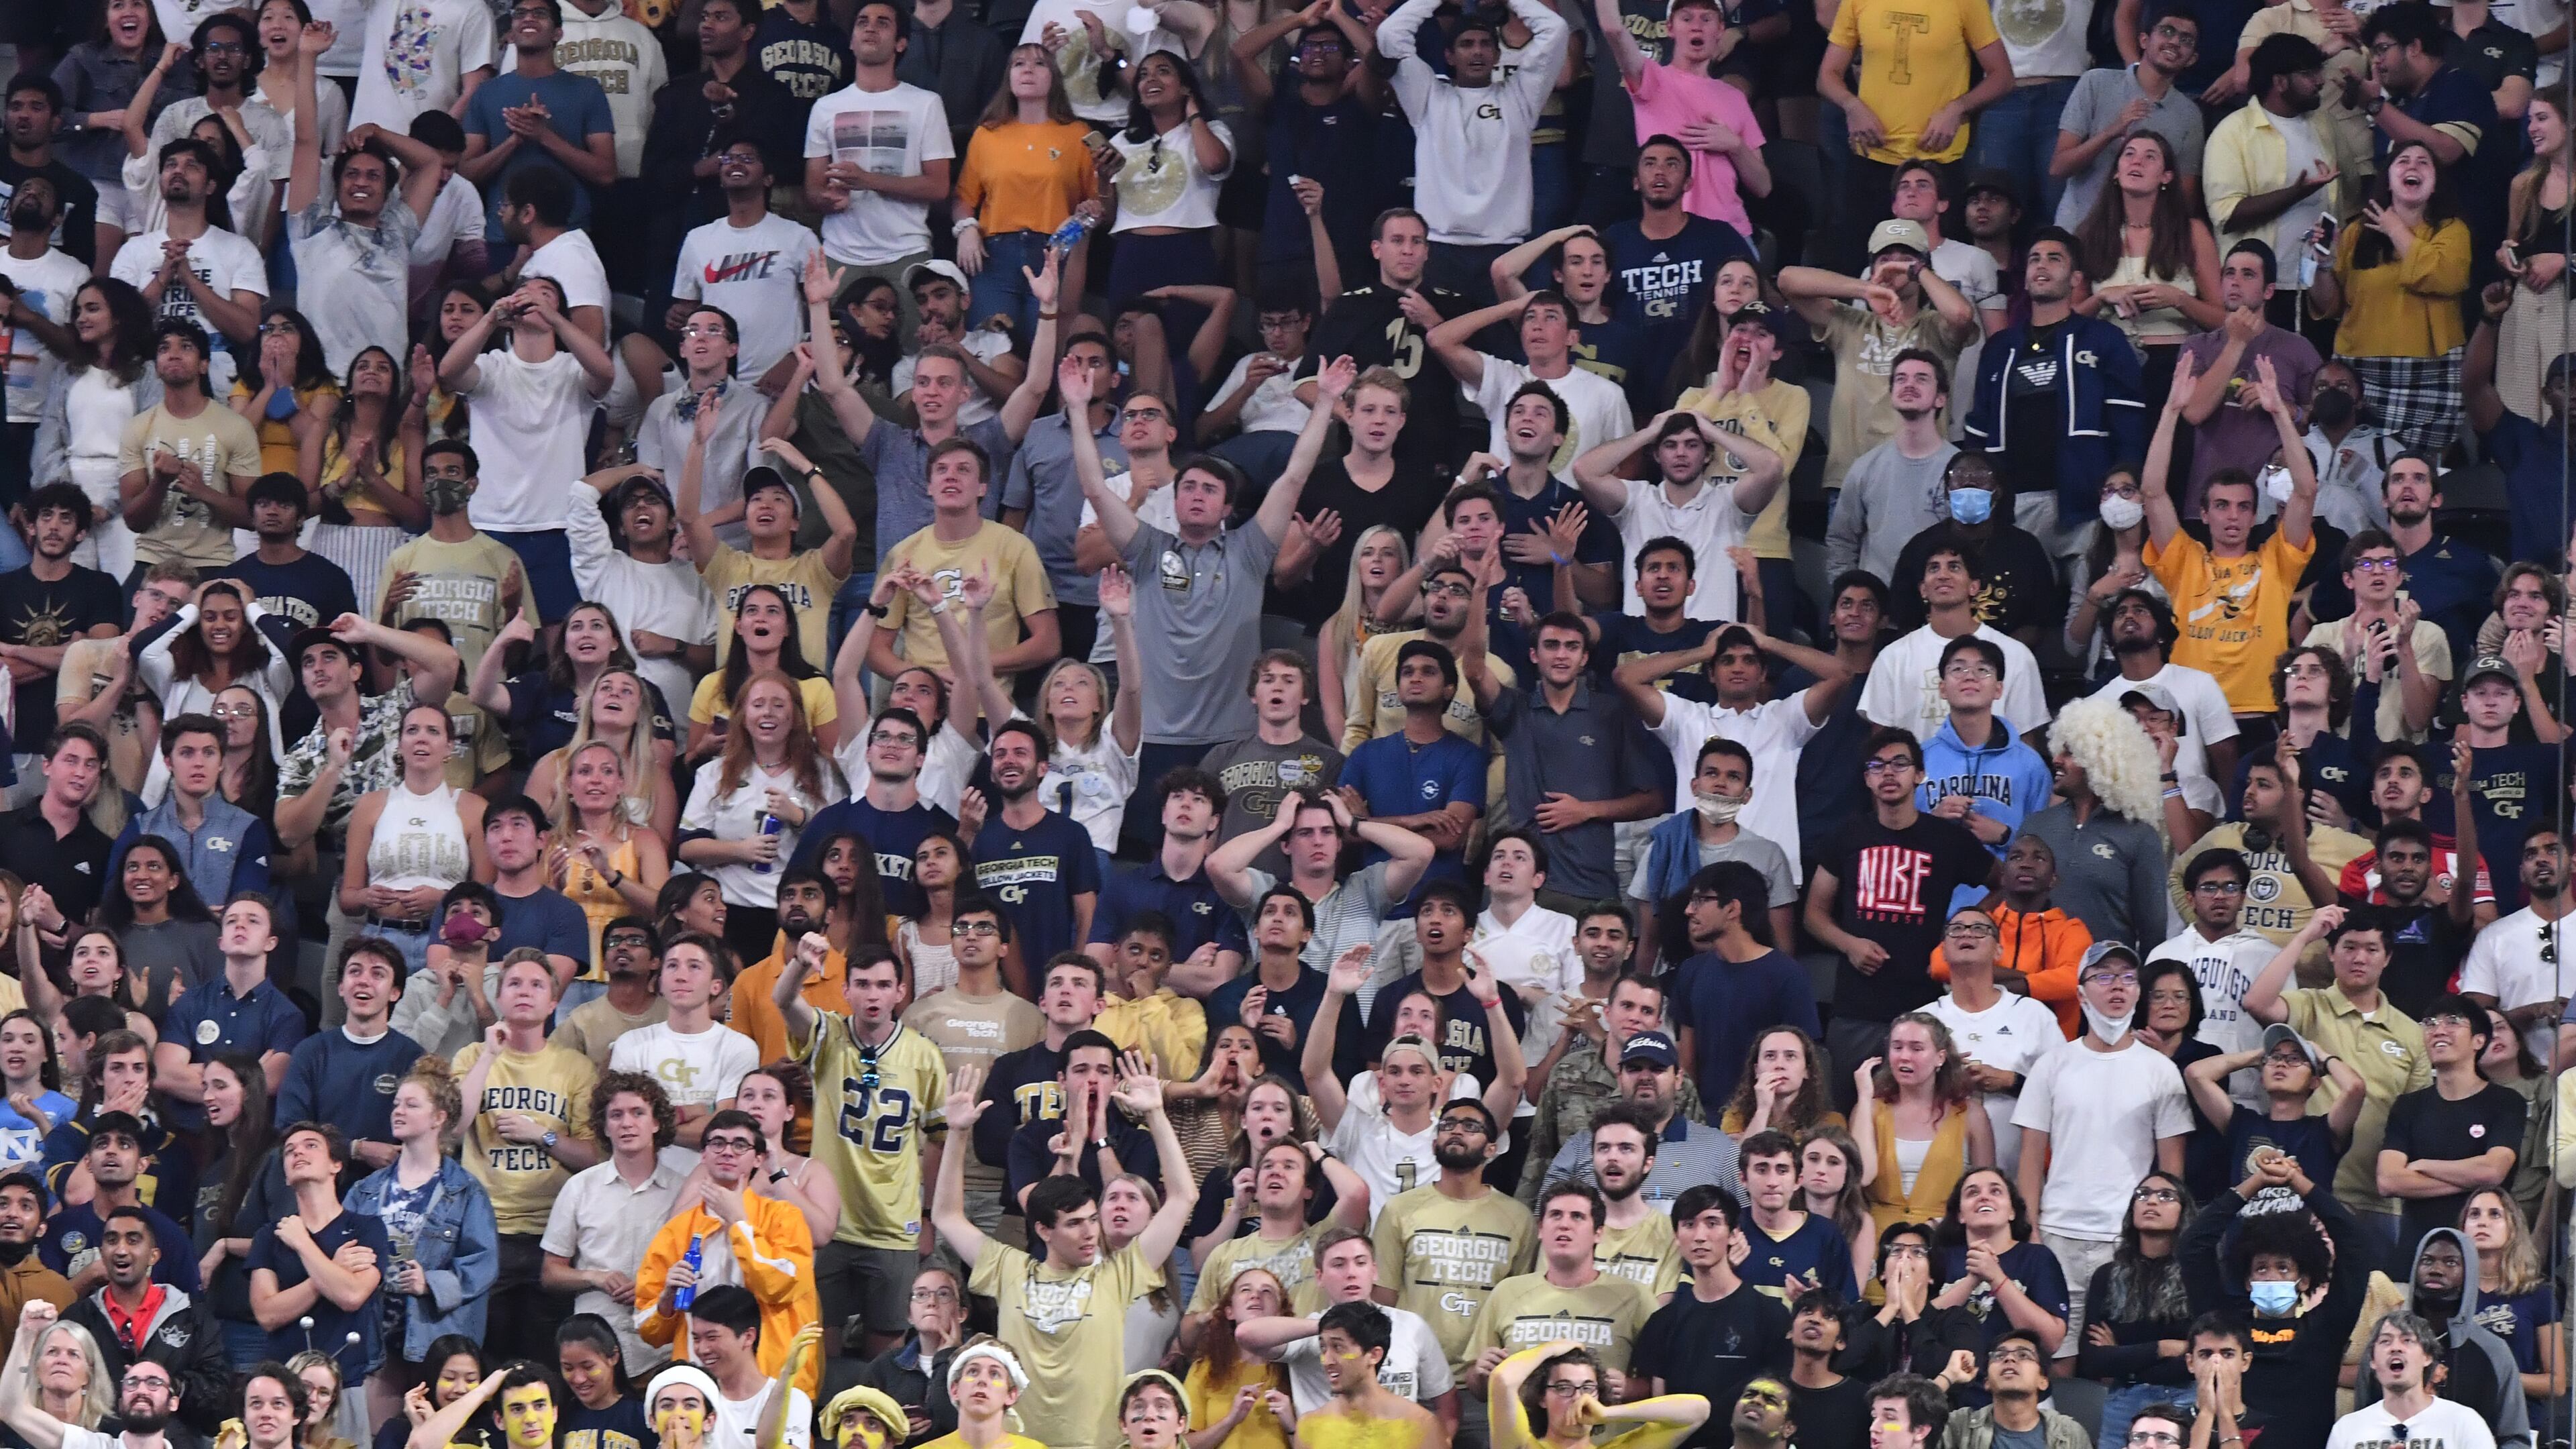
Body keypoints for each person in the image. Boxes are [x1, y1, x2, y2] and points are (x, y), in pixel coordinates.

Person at [931, 1054, 1197, 1449]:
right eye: (1074, 1224)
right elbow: (947, 1215)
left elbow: (1183, 1197)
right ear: (1044, 1230)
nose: (1091, 1232)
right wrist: (956, 1134)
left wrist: (1156, 1114)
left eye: (1093, 1219)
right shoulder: (1010, 1269)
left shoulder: (1117, 1274)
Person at [1805, 729, 1997, 1095]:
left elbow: (2003, 885)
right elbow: (1814, 915)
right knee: (1849, 1112)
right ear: (1866, 778)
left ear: (1920, 774)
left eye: (1899, 764)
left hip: (1925, 1003)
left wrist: (1962, 929)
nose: (1888, 773)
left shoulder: (1946, 838)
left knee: (1922, 1111)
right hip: (1855, 1007)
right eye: (1877, 766)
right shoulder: (1846, 835)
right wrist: (1849, 944)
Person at [2245, 905, 2434, 1266]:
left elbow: (2415, 1119)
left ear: (2388, 958)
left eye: (2371, 949)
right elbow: (2258, 1002)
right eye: (2348, 947)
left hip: (2380, 1198)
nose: (2359, 957)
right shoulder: (2310, 1006)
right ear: (2331, 953)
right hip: (2304, 1190)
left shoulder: (2411, 1032)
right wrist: (2305, 935)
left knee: (2375, 1306)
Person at [2143, 352, 2317, 722]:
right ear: (2204, 514)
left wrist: (2280, 414)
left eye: (2242, 507)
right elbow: (2153, 493)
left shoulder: (2277, 562)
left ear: (2255, 515)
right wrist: (2171, 411)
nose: (2233, 516)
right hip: (2191, 715)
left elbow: (2305, 492)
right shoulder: (2184, 561)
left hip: (2260, 711)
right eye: (2222, 506)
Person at [452, 951, 602, 1362]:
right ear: (498, 997)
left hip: (551, 1234)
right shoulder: (470, 1057)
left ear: (554, 1003)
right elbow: (450, 1127)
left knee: (544, 1359)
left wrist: (543, 1136)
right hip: (485, 1231)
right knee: (484, 1357)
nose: (525, 992)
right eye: (515, 983)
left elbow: (594, 1158)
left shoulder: (575, 1067)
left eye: (538, 985)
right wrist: (488, 1055)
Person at [345, 1056, 495, 1419]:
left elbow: (483, 1263)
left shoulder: (465, 1192)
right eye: (397, 1103)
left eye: (412, 1105)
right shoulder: (366, 1190)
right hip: (375, 1336)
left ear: (438, 1117)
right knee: (379, 1440)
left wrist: (431, 1283)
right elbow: (339, 1248)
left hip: (434, 1336)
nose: (398, 1111)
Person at [2305, 140, 2475, 458]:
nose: (2413, 166)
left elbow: (2444, 277)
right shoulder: (2356, 233)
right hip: (2361, 372)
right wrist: (2323, 265)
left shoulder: (2453, 231)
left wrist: (2395, 228)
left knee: (2417, 475)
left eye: (2424, 162)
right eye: (2403, 161)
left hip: (2430, 375)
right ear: (2389, 178)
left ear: (2436, 181)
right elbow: (2328, 306)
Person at [630, 1110, 819, 1393]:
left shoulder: (784, 1217)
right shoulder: (677, 1231)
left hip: (772, 1379)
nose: (728, 1152)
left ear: (758, 1158)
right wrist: (667, 1299)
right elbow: (650, 1331)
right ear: (703, 1155)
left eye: (740, 1145)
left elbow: (779, 1286)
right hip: (699, 1384)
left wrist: (740, 1223)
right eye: (718, 1143)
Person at [1780, 224, 1979, 491]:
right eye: (1885, 259)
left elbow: (1962, 315)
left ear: (1924, 268)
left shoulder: (1934, 327)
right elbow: (1787, 280)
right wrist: (1865, 290)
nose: (1894, 266)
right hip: (1851, 479)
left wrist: (1917, 272)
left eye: (1906, 258)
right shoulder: (1850, 323)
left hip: (1920, 479)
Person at [540, 1071, 690, 1375]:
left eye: (638, 1113)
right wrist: (596, 1277)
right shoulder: (579, 1188)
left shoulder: (683, 1191)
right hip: (594, 1349)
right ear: (604, 1127)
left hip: (661, 1348)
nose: (627, 1123)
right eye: (616, 1115)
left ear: (657, 1122)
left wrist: (652, 1286)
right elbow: (551, 1273)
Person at [2375, 996, 2526, 1260]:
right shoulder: (2409, 1106)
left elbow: (2493, 1170)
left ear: (2479, 1041)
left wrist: (2422, 1165)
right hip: (2417, 1251)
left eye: (2453, 1021)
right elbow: (2389, 1180)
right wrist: (2471, 1179)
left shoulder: (2505, 1102)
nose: (2439, 1030)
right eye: (2430, 1023)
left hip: (2483, 1253)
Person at [246, 1121, 392, 1384]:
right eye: (290, 1151)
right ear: (286, 1175)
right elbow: (267, 1314)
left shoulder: (366, 1228)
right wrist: (329, 1273)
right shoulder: (270, 1235)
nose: (297, 1153)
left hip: (346, 1380)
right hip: (284, 1382)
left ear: (336, 1164)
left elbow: (352, 1294)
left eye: (310, 1146)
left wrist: (303, 1243)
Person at [1822, 351, 1957, 588]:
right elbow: (1841, 540)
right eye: (1901, 379)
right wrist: (1848, 591)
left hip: (1939, 607)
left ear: (1941, 399)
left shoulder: (1959, 469)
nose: (1909, 385)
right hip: (1879, 609)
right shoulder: (1865, 468)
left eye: (1921, 379)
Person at [1484, 1340, 1709, 1449]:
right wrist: (1550, 1349)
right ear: (1543, 1398)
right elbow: (1502, 1380)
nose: (1578, 1398)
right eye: (1564, 1388)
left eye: (1588, 1388)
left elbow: (1698, 1410)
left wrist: (1608, 1414)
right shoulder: (1522, 1445)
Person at [2331, 1311, 2502, 1449]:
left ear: (2427, 1357)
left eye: (2407, 1340)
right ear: (2373, 1362)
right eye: (2385, 1341)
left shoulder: (2464, 1422)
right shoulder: (2347, 1429)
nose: (2396, 1348)